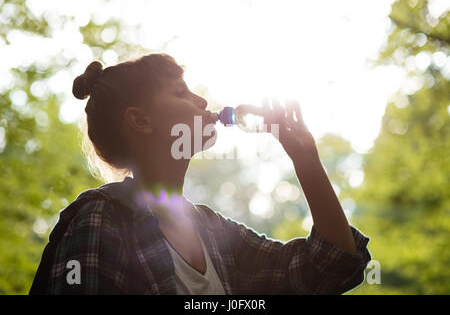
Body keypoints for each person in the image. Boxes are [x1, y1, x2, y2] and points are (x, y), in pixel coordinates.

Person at [30, 53, 371, 295]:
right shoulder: (101, 218)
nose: (202, 101)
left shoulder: (213, 230)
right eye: (180, 92)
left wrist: (305, 158)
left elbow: (330, 267)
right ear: (140, 121)